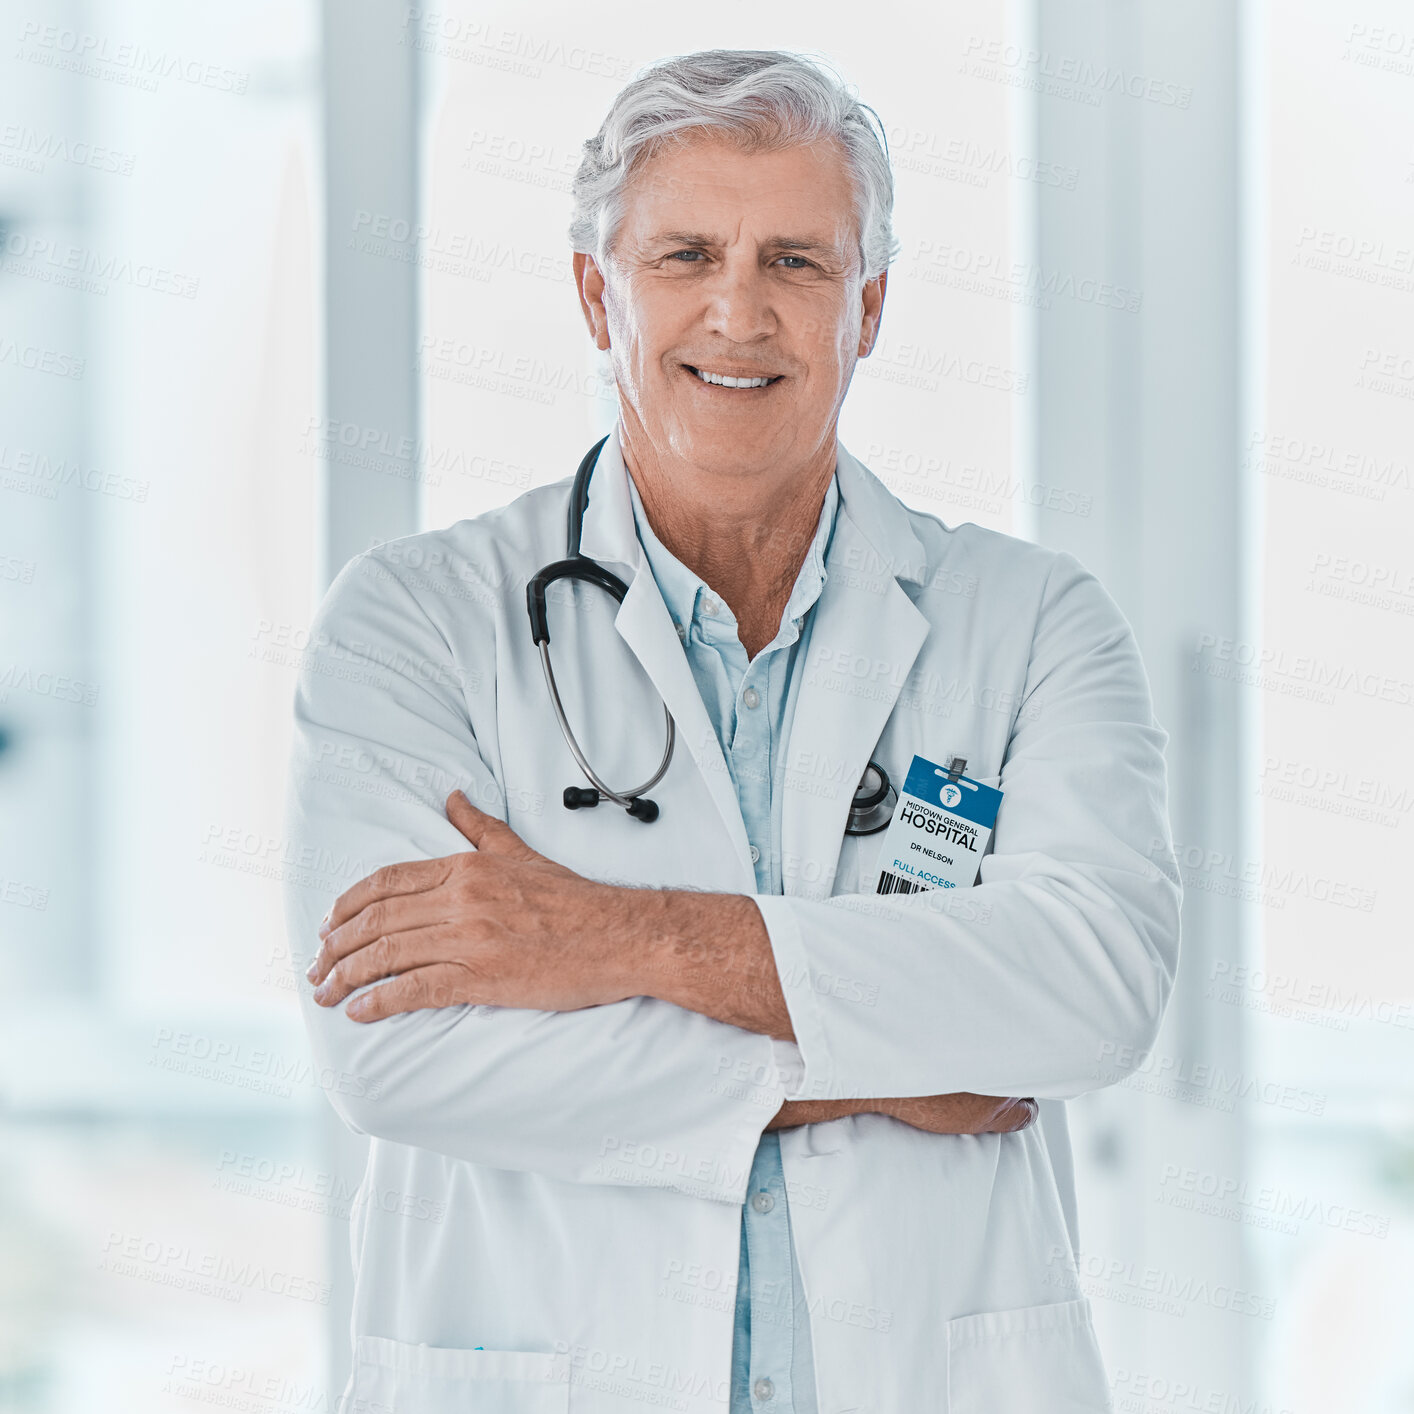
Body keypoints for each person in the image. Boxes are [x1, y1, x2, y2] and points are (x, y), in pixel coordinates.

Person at [286, 48, 1182, 1414]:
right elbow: (397, 1048)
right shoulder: (414, 621)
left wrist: (605, 938)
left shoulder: (1031, 619)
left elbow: (1091, 988)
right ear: (600, 294)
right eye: (687, 253)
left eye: (796, 263)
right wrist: (875, 1061)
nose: (738, 311)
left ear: (867, 306)